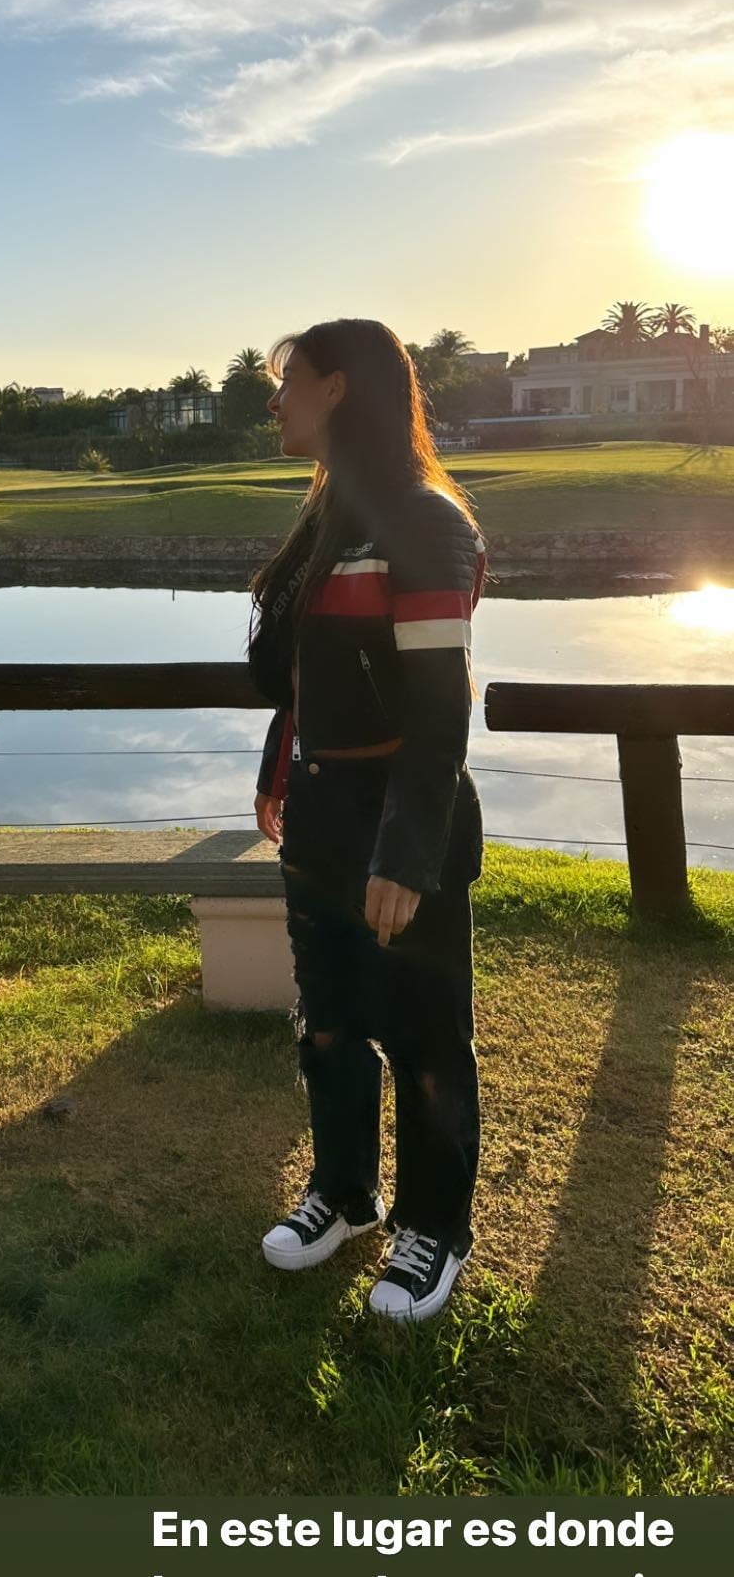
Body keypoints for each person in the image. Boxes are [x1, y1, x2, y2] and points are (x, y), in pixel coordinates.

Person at [248, 319, 486, 1323]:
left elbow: (440, 709)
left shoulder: (424, 522)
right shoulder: (326, 517)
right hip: (319, 812)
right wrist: (282, 770)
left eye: (287, 381)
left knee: (427, 1037)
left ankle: (435, 1228)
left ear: (341, 388)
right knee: (331, 1023)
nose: (276, 399)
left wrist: (406, 850)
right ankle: (345, 1193)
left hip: (400, 814)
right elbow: (299, 677)